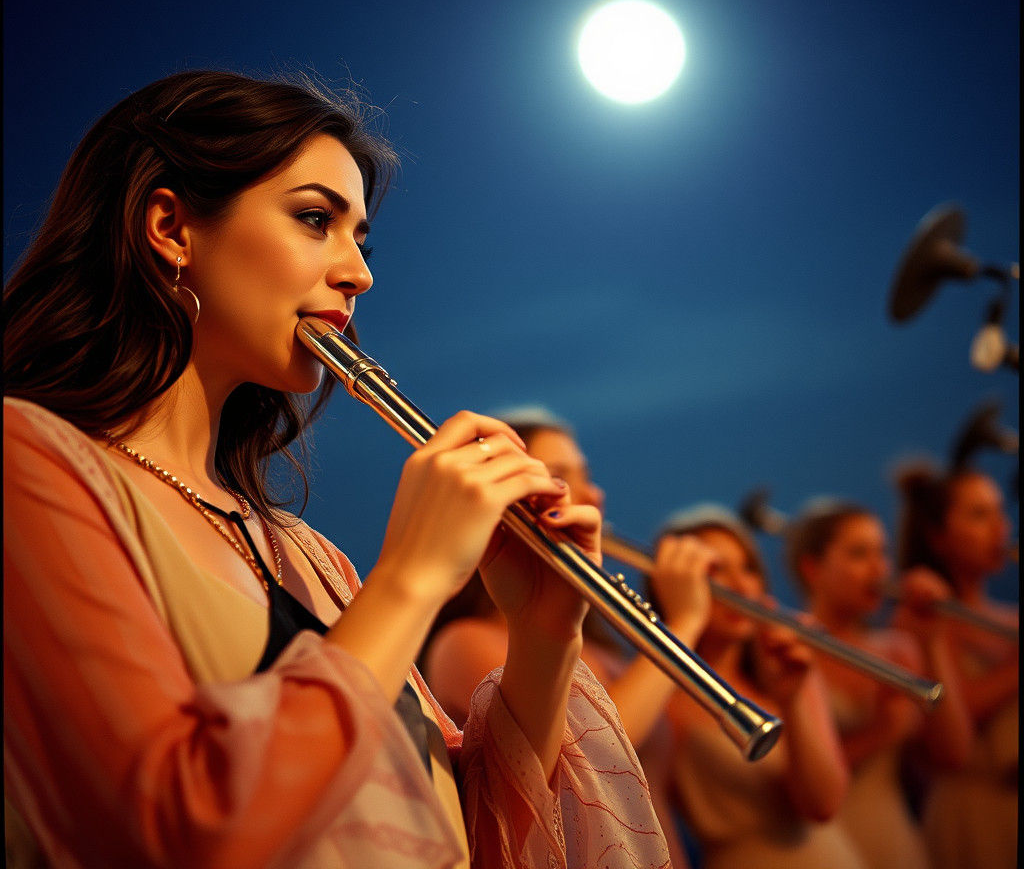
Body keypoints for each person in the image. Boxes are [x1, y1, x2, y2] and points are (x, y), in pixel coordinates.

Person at [3, 70, 671, 869]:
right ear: (171, 226)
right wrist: (413, 577)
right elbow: (174, 824)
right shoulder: (27, 465)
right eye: (315, 219)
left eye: (360, 238)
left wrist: (541, 632)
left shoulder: (311, 557)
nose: (359, 274)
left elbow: (448, 830)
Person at [421, 407, 706, 869]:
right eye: (559, 476)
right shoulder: (464, 640)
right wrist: (685, 624)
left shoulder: (605, 649)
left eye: (586, 475)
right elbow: (597, 754)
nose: (593, 494)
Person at [649, 506, 865, 869]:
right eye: (716, 571)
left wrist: (794, 699)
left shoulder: (788, 670)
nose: (742, 586)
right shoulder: (662, 701)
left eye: (748, 568)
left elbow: (823, 805)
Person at [785, 498, 974, 869]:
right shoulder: (789, 655)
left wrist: (932, 643)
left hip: (894, 838)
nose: (879, 569)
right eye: (859, 554)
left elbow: (954, 754)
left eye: (882, 552)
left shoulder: (896, 650)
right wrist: (882, 731)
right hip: (817, 846)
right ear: (813, 568)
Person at [895, 462, 1018, 869]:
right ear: (938, 537)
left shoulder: (1011, 618)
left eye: (1000, 511)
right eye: (979, 515)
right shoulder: (919, 625)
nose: (1001, 528)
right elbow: (949, 724)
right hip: (973, 815)